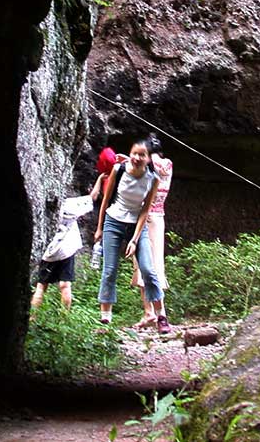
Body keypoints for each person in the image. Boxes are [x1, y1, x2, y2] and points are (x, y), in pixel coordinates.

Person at [94, 139, 170, 334]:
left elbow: (145, 209)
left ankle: (161, 316)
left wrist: (135, 239)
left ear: (148, 158)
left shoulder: (153, 178)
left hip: (137, 224)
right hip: (114, 220)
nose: (137, 157)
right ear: (130, 152)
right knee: (110, 269)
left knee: (148, 269)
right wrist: (100, 227)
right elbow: (106, 200)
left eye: (141, 155)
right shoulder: (119, 170)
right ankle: (105, 318)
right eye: (134, 153)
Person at [130, 133, 173, 328]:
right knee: (151, 264)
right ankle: (151, 313)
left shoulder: (151, 166)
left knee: (146, 266)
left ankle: (157, 313)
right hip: (157, 218)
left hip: (146, 219)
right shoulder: (167, 165)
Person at [30, 195, 92, 310]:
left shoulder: (43, 208)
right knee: (65, 285)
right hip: (66, 250)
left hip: (49, 252)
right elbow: (91, 198)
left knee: (41, 286)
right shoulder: (69, 206)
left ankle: (32, 317)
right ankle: (65, 317)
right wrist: (99, 180)